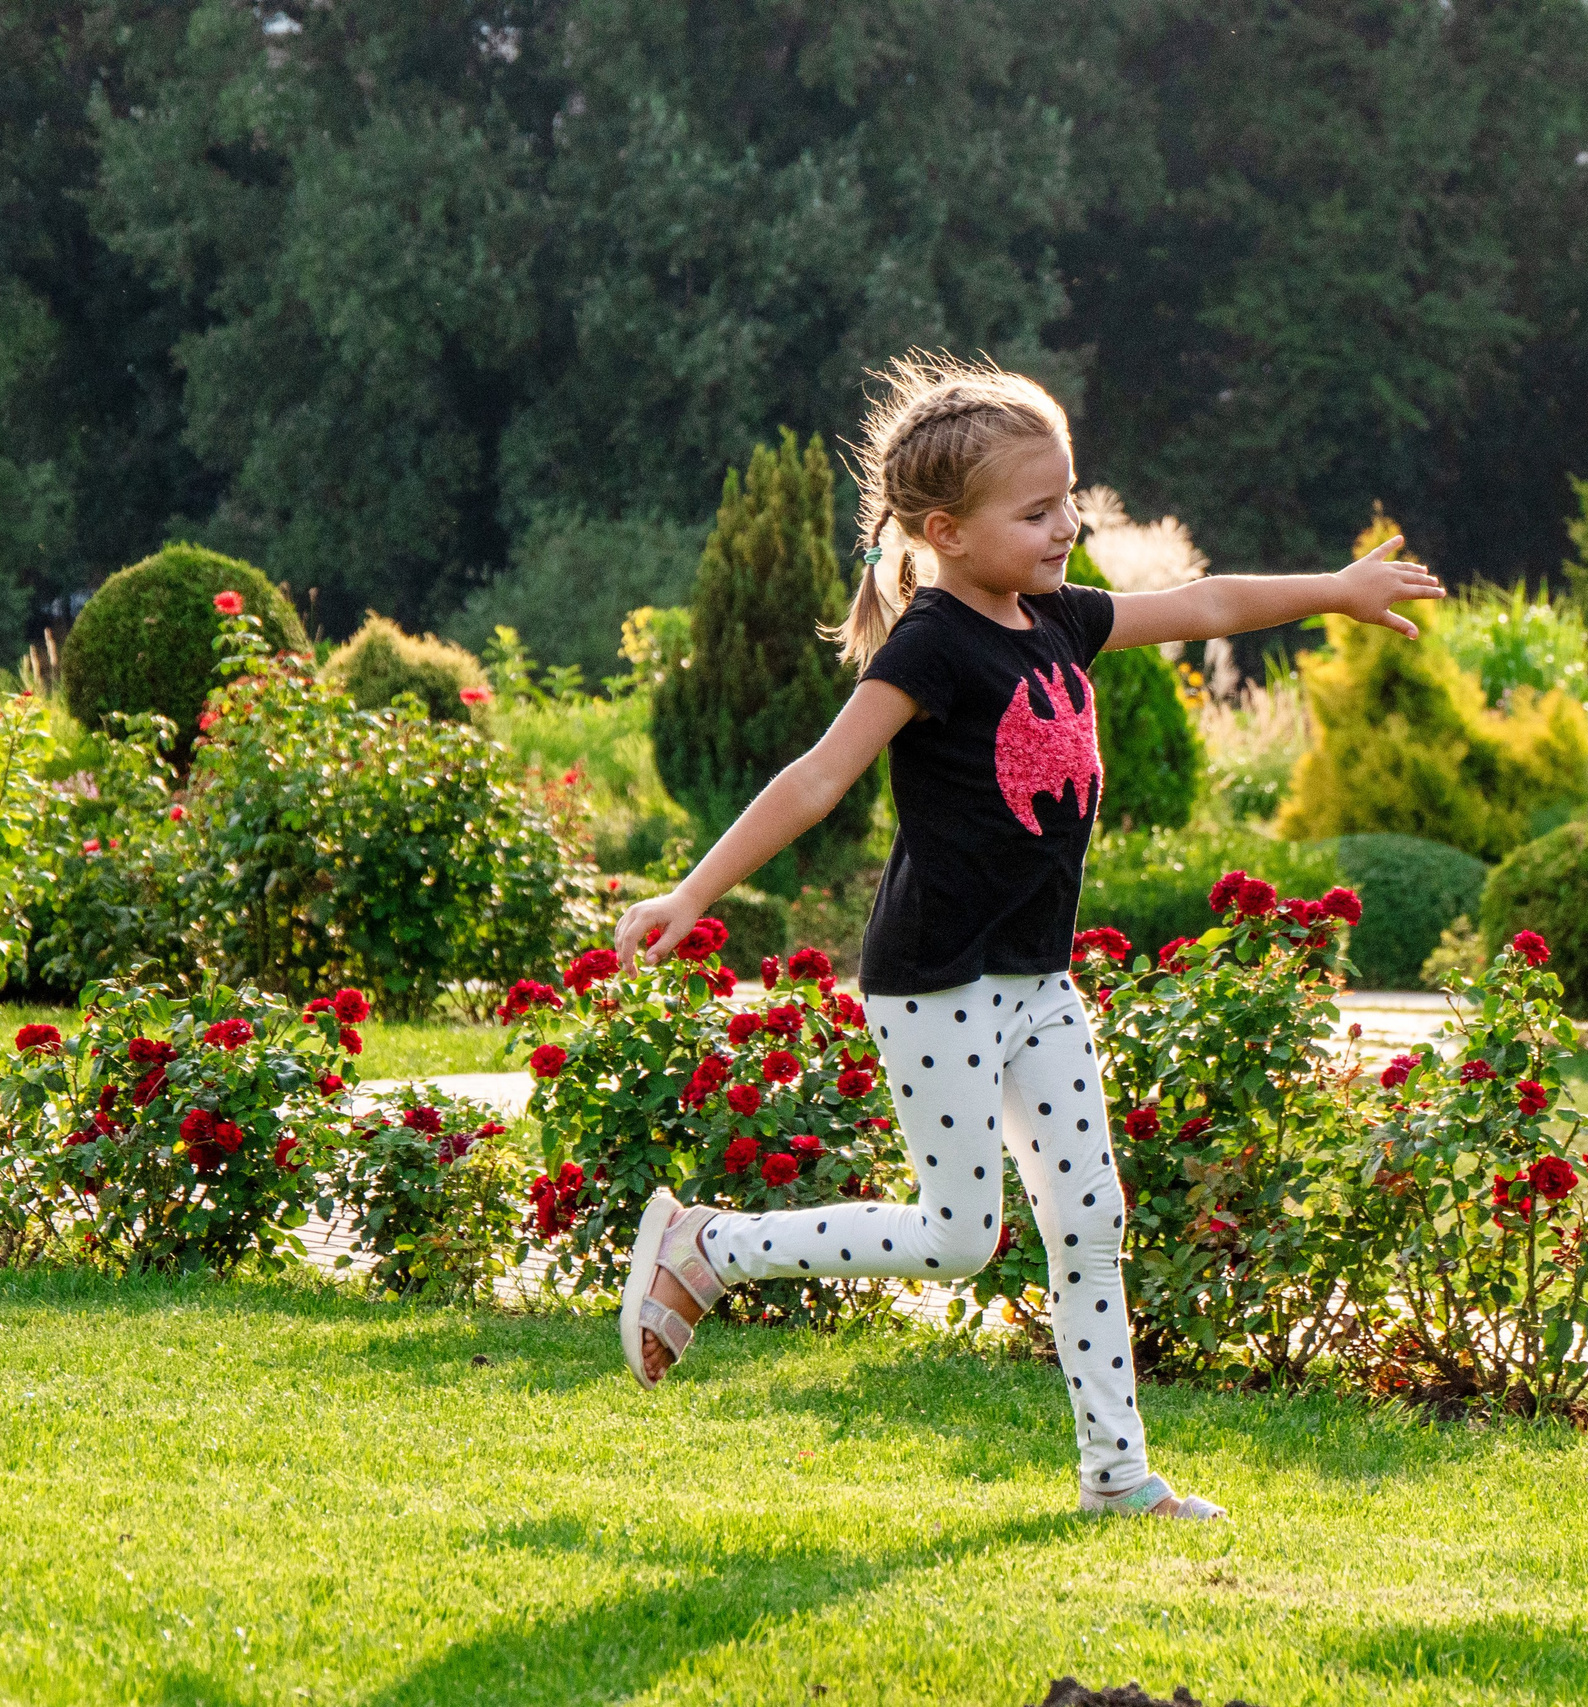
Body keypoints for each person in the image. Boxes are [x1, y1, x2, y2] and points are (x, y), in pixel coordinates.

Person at [609, 352, 1442, 1521]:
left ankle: (1117, 1477)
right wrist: (692, 893)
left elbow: (1203, 605)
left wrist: (1335, 588)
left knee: (1090, 1217)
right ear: (945, 530)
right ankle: (710, 1248)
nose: (1067, 528)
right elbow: (815, 781)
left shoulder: (1055, 616)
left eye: (1071, 500)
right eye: (1038, 511)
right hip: (936, 982)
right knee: (960, 1237)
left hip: (1036, 978)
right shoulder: (931, 646)